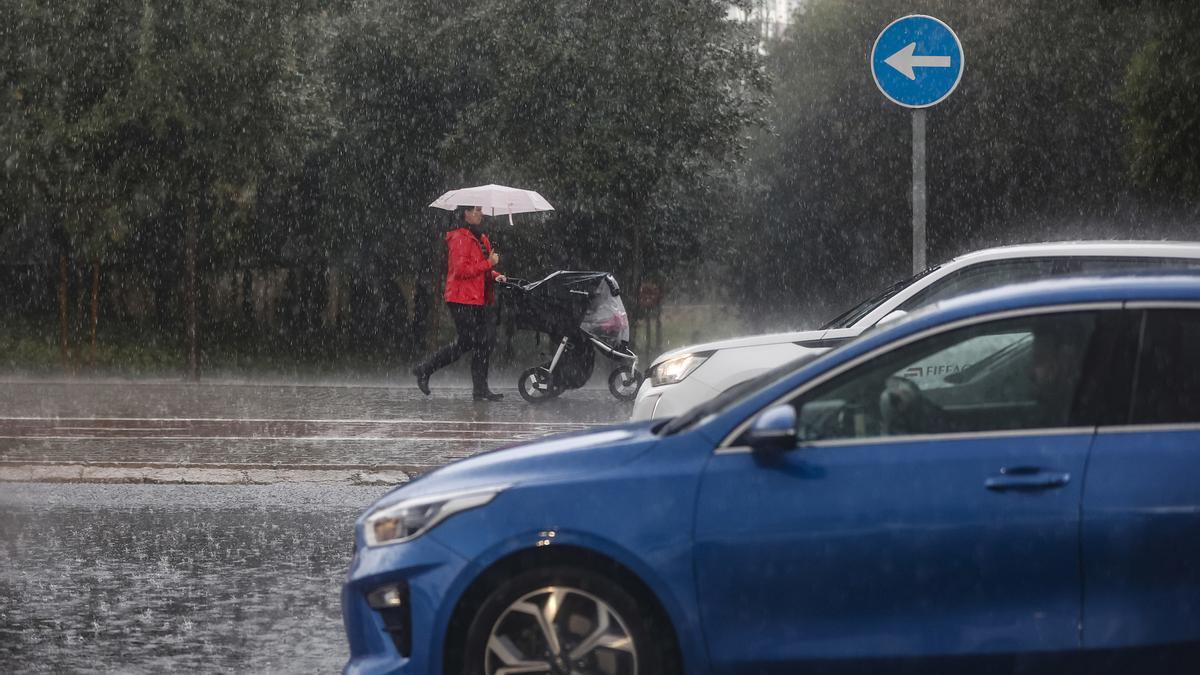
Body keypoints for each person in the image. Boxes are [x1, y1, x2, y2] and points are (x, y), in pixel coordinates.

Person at [412, 205, 507, 400]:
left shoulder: (482, 238)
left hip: (478, 298)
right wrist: (489, 264)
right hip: (460, 298)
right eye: (476, 210)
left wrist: (495, 275)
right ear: (465, 213)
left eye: (480, 210)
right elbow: (461, 270)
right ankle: (424, 369)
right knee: (468, 341)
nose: (480, 213)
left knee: (484, 343)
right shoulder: (459, 238)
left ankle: (480, 389)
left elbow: (482, 271)